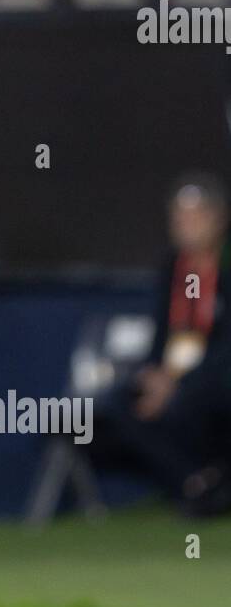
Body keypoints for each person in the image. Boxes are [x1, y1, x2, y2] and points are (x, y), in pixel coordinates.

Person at [95, 174, 231, 515]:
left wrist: (178, 383)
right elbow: (163, 331)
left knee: (195, 402)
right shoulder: (174, 266)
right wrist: (156, 375)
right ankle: (195, 482)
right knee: (118, 405)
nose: (186, 226)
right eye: (179, 218)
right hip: (173, 373)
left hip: (215, 376)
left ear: (220, 218)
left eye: (196, 217)